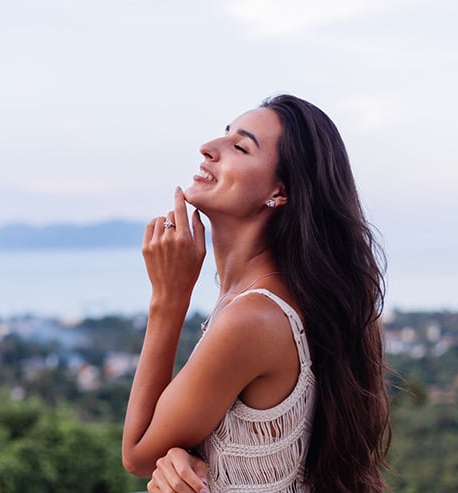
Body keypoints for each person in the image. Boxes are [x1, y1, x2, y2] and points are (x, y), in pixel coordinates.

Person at [122, 94, 390, 493]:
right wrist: (181, 461)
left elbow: (138, 453)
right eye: (225, 133)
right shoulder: (269, 296)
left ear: (279, 192)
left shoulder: (254, 317)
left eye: (240, 146)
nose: (209, 148)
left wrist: (168, 298)